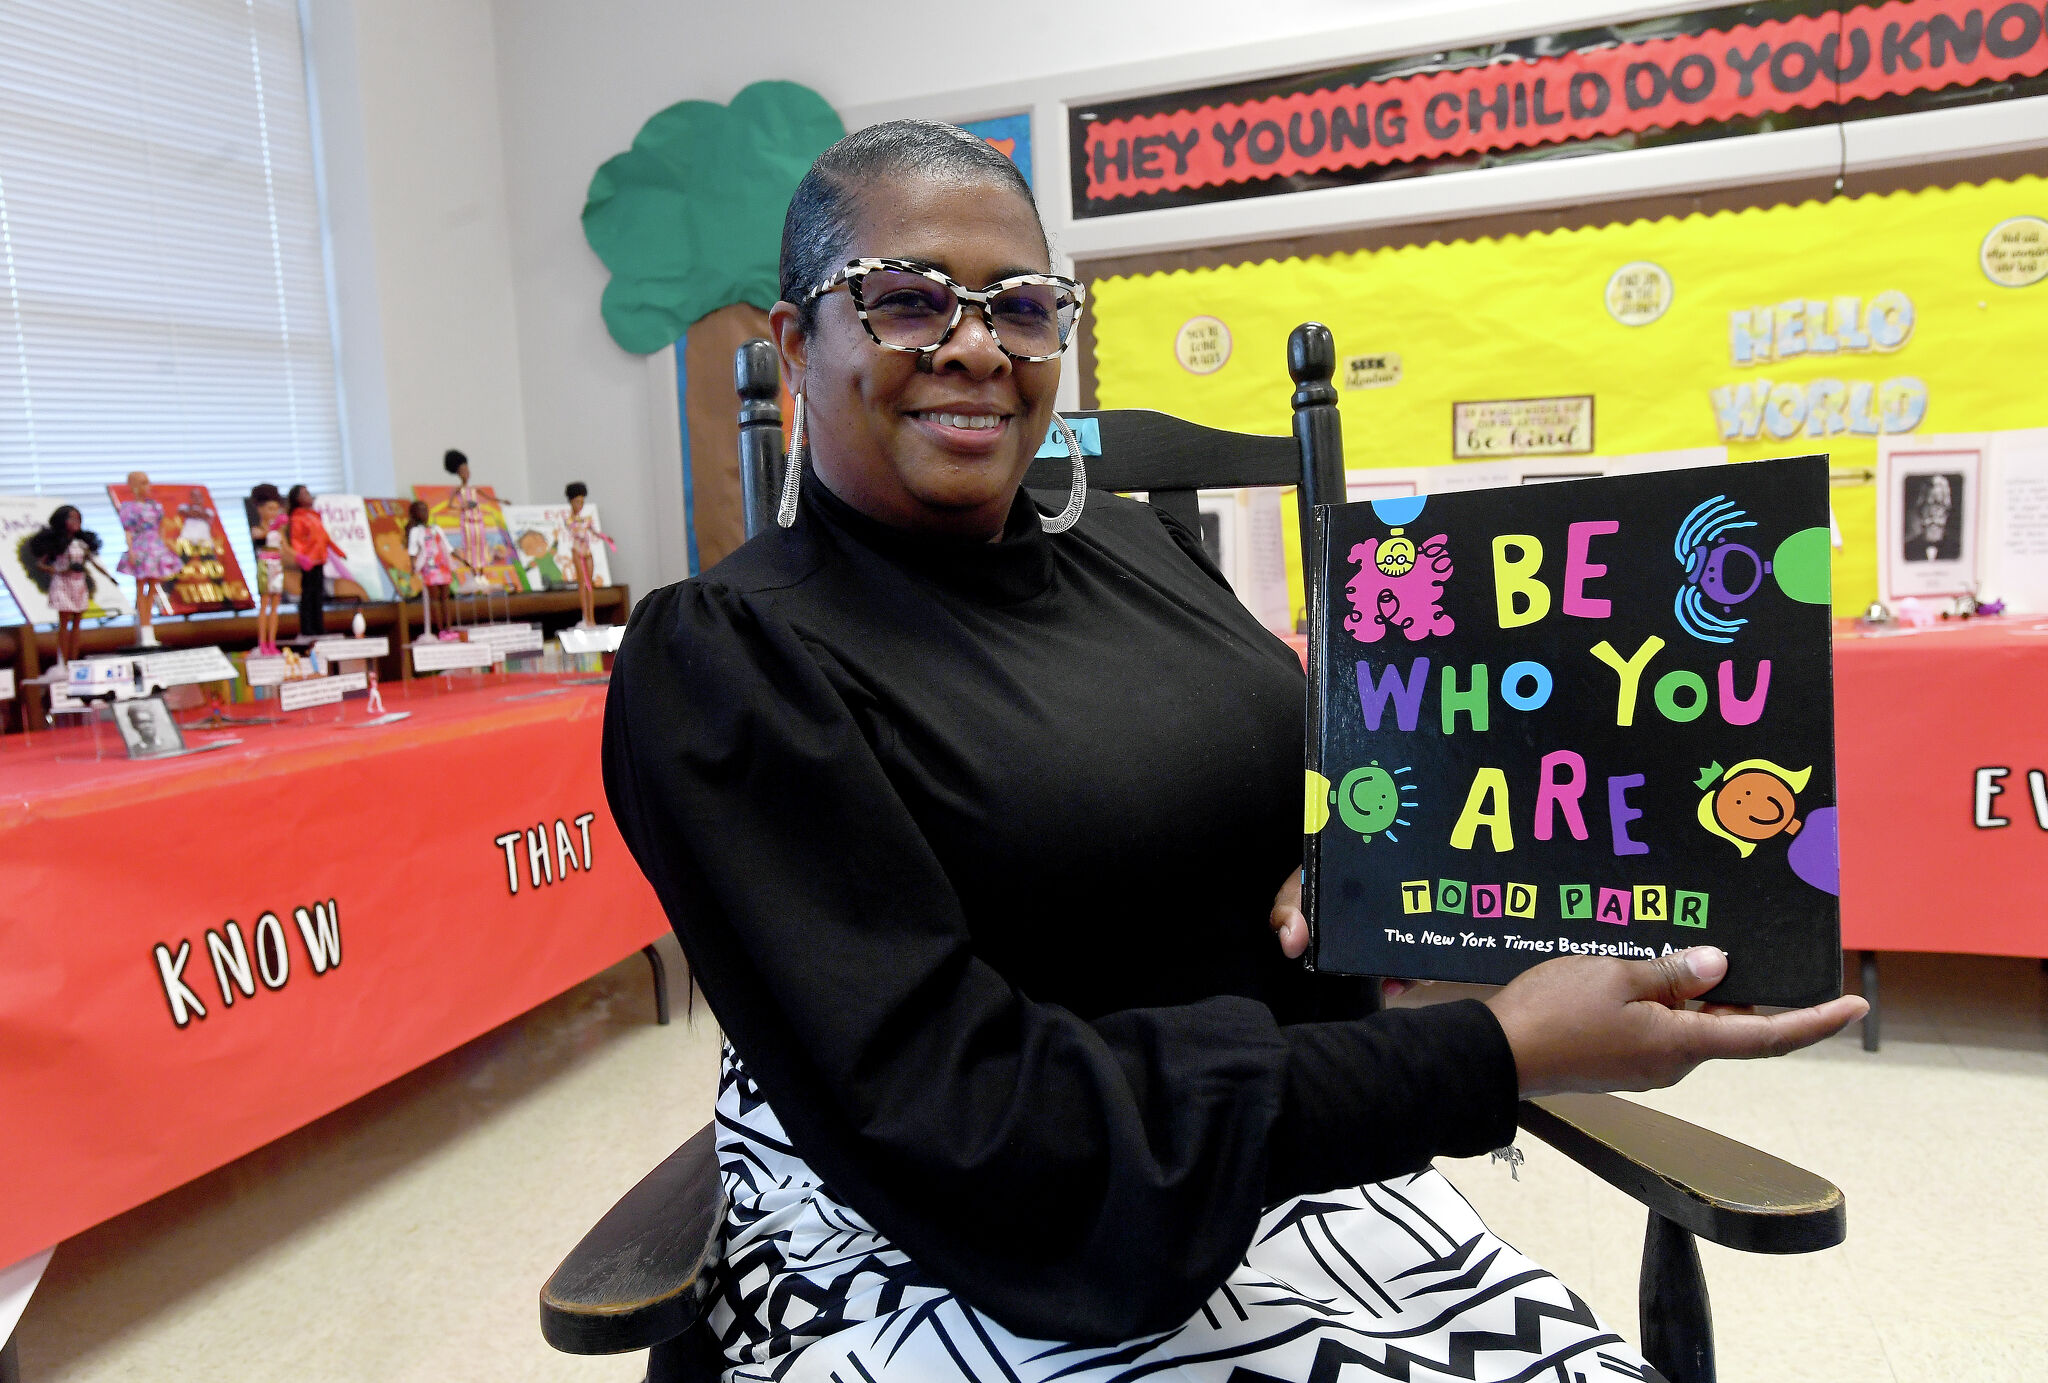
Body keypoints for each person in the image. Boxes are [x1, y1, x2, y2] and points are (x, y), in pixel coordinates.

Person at [603, 122, 1866, 1383]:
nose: (978, 344)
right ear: (791, 343)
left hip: (1296, 1163)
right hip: (980, 1248)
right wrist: (1498, 1049)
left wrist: (1422, 930)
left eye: (1024, 306)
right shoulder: (728, 665)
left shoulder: (1141, 552)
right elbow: (970, 1124)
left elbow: (1300, 869)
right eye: (905, 300)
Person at [27, 505, 106, 665]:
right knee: (64, 624)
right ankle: (62, 662)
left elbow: (93, 561)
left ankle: (74, 660)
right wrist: (59, 570)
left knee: (77, 624)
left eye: (78, 518)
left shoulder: (81, 544)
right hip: (63, 583)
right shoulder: (57, 544)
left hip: (79, 583)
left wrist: (108, 576)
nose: (76, 522)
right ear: (62, 521)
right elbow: (40, 564)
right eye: (71, 518)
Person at [114, 471, 182, 646]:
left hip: (155, 548)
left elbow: (161, 528)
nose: (147, 487)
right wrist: (130, 550)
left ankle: (149, 628)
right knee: (140, 588)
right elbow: (128, 531)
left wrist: (164, 546)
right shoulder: (129, 508)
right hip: (140, 547)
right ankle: (143, 628)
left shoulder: (155, 506)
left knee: (153, 589)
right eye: (143, 483)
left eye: (147, 483)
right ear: (133, 486)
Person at [560, 481, 616, 627]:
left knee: (589, 585)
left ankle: (592, 619)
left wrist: (606, 538)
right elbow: (575, 530)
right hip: (577, 551)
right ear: (571, 502)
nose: (580, 505)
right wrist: (582, 524)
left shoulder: (585, 519)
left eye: (582, 502)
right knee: (582, 584)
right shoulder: (570, 520)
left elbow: (595, 532)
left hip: (587, 552)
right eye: (577, 502)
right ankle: (585, 617)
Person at [285, 485, 336, 638]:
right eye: (304, 494)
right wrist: (301, 557)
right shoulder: (297, 518)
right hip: (309, 561)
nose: (308, 496)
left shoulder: (314, 516)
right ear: (297, 499)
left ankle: (319, 626)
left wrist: (339, 551)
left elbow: (325, 538)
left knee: (318, 595)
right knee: (308, 594)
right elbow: (296, 540)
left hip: (319, 559)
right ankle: (307, 627)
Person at [405, 499, 457, 638]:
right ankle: (440, 630)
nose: (425, 513)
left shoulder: (436, 528)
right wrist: (413, 567)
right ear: (415, 514)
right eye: (421, 511)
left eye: (426, 510)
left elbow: (447, 546)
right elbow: (412, 551)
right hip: (429, 567)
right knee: (435, 599)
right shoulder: (415, 531)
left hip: (442, 566)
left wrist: (461, 559)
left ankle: (449, 628)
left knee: (445, 599)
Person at [443, 448, 493, 589]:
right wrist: (463, 507)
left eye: (467, 470)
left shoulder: (474, 489)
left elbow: (489, 497)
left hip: (478, 521)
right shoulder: (458, 490)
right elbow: (450, 505)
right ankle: (474, 575)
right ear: (458, 473)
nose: (467, 473)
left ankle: (482, 575)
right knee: (470, 549)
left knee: (481, 547)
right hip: (467, 522)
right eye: (463, 471)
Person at [248, 483, 287, 656]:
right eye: (270, 509)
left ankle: (272, 642)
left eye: (276, 509)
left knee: (275, 606)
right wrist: (274, 527)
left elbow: (285, 547)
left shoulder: (278, 531)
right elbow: (260, 536)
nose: (273, 513)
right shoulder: (258, 529)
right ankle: (262, 642)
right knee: (264, 605)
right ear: (260, 509)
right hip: (265, 565)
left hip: (278, 566)